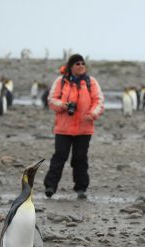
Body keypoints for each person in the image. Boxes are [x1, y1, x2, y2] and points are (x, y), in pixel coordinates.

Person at [44, 54, 104, 199]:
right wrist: (63, 105)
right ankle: (50, 186)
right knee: (60, 156)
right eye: (77, 63)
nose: (81, 65)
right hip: (64, 128)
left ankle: (81, 188)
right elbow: (51, 100)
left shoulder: (91, 82)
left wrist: (92, 114)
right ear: (71, 66)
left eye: (82, 63)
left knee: (80, 158)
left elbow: (99, 101)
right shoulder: (61, 81)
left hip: (84, 128)